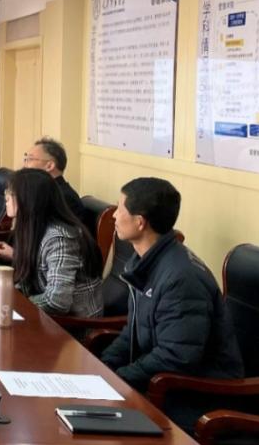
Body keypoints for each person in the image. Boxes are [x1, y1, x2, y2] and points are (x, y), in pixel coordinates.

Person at [100, 177, 243, 430]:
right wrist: (104, 367)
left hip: (196, 395)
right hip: (163, 383)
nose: (114, 216)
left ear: (140, 222)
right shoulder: (144, 262)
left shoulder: (180, 277)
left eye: (120, 209)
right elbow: (132, 332)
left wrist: (121, 378)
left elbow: (176, 356)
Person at [0, 168, 102, 317]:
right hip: (46, 315)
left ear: (29, 200)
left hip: (72, 324)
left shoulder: (59, 239)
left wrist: (14, 302)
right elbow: (27, 280)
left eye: (11, 193)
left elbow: (57, 302)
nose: (6, 197)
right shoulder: (33, 228)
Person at [22, 137, 83, 218]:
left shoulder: (65, 198)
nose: (24, 166)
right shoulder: (39, 190)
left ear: (50, 166)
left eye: (30, 159)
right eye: (25, 159)